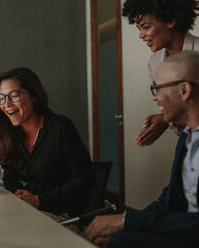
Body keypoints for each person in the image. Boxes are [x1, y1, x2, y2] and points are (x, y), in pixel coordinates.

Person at [85, 51, 199, 248]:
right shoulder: (186, 139)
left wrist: (127, 221)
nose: (155, 98)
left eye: (157, 88)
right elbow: (169, 201)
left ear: (184, 90)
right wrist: (126, 223)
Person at [0, 67, 94, 218]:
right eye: (1, 98)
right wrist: (18, 195)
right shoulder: (11, 133)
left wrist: (38, 200)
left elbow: (85, 179)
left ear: (33, 95)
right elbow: (10, 178)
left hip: (65, 215)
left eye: (14, 96)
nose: (7, 105)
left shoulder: (60, 127)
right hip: (28, 212)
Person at [122, 0, 199, 146]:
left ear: (170, 21)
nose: (141, 35)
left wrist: (165, 120)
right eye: (139, 29)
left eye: (146, 27)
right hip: (185, 141)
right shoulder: (155, 62)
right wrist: (165, 118)